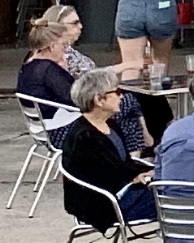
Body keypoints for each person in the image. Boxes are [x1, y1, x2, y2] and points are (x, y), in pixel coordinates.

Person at [22, 2, 151, 159]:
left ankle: (131, 158)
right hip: (61, 131)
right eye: (63, 46)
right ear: (52, 46)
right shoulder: (48, 70)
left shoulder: (29, 65)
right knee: (126, 102)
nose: (64, 52)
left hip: (44, 129)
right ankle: (137, 153)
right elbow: (76, 99)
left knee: (124, 111)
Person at [56, 67, 155, 225]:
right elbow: (109, 174)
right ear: (99, 100)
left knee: (172, 192)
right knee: (174, 199)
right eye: (116, 92)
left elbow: (124, 164)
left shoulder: (111, 124)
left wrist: (147, 172)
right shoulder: (85, 137)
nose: (121, 96)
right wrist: (136, 177)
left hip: (121, 193)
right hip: (104, 205)